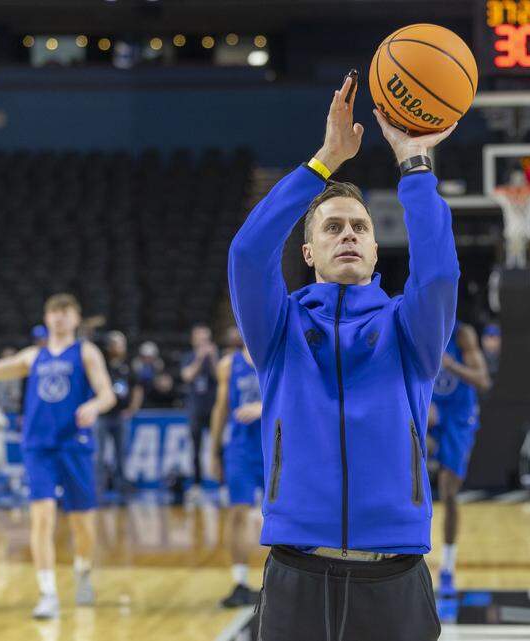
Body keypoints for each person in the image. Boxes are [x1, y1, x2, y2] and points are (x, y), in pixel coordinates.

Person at [227, 74, 455, 640]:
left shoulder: (409, 329)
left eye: (359, 227)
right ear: (308, 252)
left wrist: (415, 165)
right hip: (297, 572)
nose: (348, 234)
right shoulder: (278, 329)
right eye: (332, 227)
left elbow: (440, 271)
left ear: (376, 248)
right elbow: (248, 252)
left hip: (395, 575)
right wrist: (324, 162)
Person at [0, 293, 116, 619]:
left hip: (74, 445)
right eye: (54, 312)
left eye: (65, 312)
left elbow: (106, 393)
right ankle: (47, 592)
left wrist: (94, 405)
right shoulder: (34, 357)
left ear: (75, 319)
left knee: (82, 524)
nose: (59, 317)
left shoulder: (86, 352)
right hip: (39, 447)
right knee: (42, 516)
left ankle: (83, 571)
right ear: (47, 319)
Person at [429, 322, 491, 596]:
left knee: (449, 492)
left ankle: (448, 565)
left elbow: (483, 380)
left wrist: (450, 365)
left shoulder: (463, 335)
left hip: (458, 418)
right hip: (429, 412)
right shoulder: (417, 323)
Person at [207, 339, 264, 608]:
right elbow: (220, 408)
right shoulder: (229, 364)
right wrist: (214, 450)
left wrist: (262, 408)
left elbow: (298, 398)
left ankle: (282, 581)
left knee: (285, 513)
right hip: (240, 449)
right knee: (238, 513)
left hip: (276, 447)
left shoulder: (278, 354)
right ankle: (240, 582)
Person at [100, 331, 143, 494]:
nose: (121, 347)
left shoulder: (129, 364)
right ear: (110, 346)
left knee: (121, 454)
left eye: (122, 343)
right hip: (103, 415)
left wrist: (132, 409)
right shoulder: (102, 364)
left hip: (120, 415)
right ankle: (99, 487)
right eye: (118, 343)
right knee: (99, 455)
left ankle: (121, 486)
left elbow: (138, 387)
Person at [179, 325, 218, 497]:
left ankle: (222, 483)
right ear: (194, 340)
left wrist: (213, 359)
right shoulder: (189, 357)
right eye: (200, 339)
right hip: (195, 408)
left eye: (206, 339)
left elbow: (220, 377)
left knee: (218, 446)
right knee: (195, 448)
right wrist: (199, 359)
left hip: (213, 408)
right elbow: (187, 376)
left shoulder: (215, 358)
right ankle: (196, 484)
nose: (203, 342)